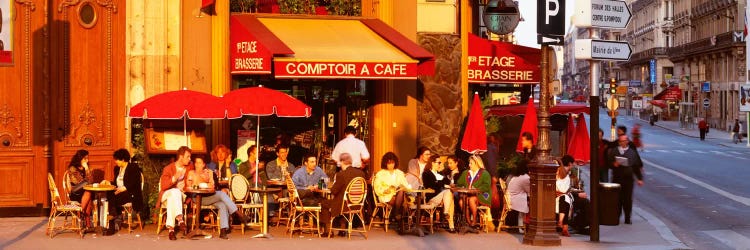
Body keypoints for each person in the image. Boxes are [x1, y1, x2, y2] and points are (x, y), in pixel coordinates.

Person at [186, 155, 250, 239]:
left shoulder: (209, 172)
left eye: (199, 163)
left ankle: (223, 231)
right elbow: (189, 186)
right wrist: (199, 181)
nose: (197, 165)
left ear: (204, 164)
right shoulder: (191, 173)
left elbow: (212, 186)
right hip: (197, 198)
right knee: (221, 194)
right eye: (196, 163)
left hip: (209, 196)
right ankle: (238, 214)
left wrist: (206, 180)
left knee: (222, 204)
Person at [320, 153, 366, 237]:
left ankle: (328, 231)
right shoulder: (361, 173)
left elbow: (334, 191)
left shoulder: (341, 175)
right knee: (341, 201)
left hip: (344, 205)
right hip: (357, 204)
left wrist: (331, 186)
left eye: (340, 162)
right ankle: (343, 229)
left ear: (342, 161)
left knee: (324, 203)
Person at [158, 146, 193, 240]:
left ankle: (171, 230)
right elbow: (163, 186)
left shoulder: (189, 167)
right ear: (181, 157)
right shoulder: (168, 168)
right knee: (174, 191)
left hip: (180, 196)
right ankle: (180, 219)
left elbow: (194, 177)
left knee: (173, 197)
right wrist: (174, 178)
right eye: (188, 157)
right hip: (166, 193)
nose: (190, 159)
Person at [607, 135, 645, 224]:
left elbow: (636, 166)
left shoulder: (632, 152)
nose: (623, 142)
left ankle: (627, 217)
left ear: (627, 141)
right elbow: (608, 163)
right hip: (617, 178)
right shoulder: (614, 151)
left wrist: (639, 178)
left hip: (628, 179)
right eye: (621, 141)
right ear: (619, 142)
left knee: (627, 199)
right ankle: (616, 217)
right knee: (617, 199)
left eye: (625, 141)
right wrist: (614, 164)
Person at [372, 152, 410, 229]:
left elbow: (406, 185)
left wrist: (402, 186)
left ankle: (396, 213)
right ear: (385, 163)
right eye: (389, 163)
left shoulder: (399, 173)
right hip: (386, 195)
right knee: (401, 199)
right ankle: (396, 215)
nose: (391, 165)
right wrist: (386, 190)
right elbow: (377, 187)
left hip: (398, 194)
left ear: (395, 163)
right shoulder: (380, 174)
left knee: (401, 192)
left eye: (392, 163)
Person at [107, 149, 143, 223]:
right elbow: (115, 183)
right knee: (109, 193)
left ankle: (115, 216)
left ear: (123, 159)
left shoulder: (133, 167)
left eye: (117, 160)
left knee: (114, 196)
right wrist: (108, 183)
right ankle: (115, 215)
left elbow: (134, 182)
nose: (115, 161)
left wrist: (123, 189)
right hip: (119, 192)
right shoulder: (117, 168)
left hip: (131, 193)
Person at [422, 154, 456, 233]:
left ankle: (446, 214)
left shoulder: (440, 174)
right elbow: (431, 186)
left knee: (449, 195)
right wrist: (442, 183)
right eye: (439, 162)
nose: (440, 164)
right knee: (449, 193)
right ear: (433, 163)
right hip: (432, 197)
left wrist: (440, 182)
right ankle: (450, 222)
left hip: (443, 197)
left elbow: (448, 182)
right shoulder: (426, 173)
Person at [456, 155, 491, 227]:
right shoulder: (466, 173)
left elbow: (486, 186)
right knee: (461, 201)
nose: (469, 165)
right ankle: (468, 221)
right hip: (468, 194)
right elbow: (459, 183)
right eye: (469, 163)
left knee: (471, 200)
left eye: (471, 163)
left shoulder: (484, 173)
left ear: (477, 163)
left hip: (481, 194)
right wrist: (462, 187)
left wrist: (476, 189)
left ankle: (474, 220)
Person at [66, 150, 94, 226]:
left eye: (87, 158)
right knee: (88, 187)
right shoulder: (73, 168)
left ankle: (87, 224)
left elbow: (91, 181)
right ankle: (81, 215)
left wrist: (87, 169)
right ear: (80, 158)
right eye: (85, 158)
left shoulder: (86, 168)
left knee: (88, 193)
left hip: (84, 192)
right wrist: (87, 171)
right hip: (75, 192)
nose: (87, 160)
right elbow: (78, 182)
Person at [507, 159, 530, 232]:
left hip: (510, 199)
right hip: (516, 200)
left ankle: (524, 224)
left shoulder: (516, 176)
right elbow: (530, 191)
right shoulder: (525, 177)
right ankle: (528, 224)